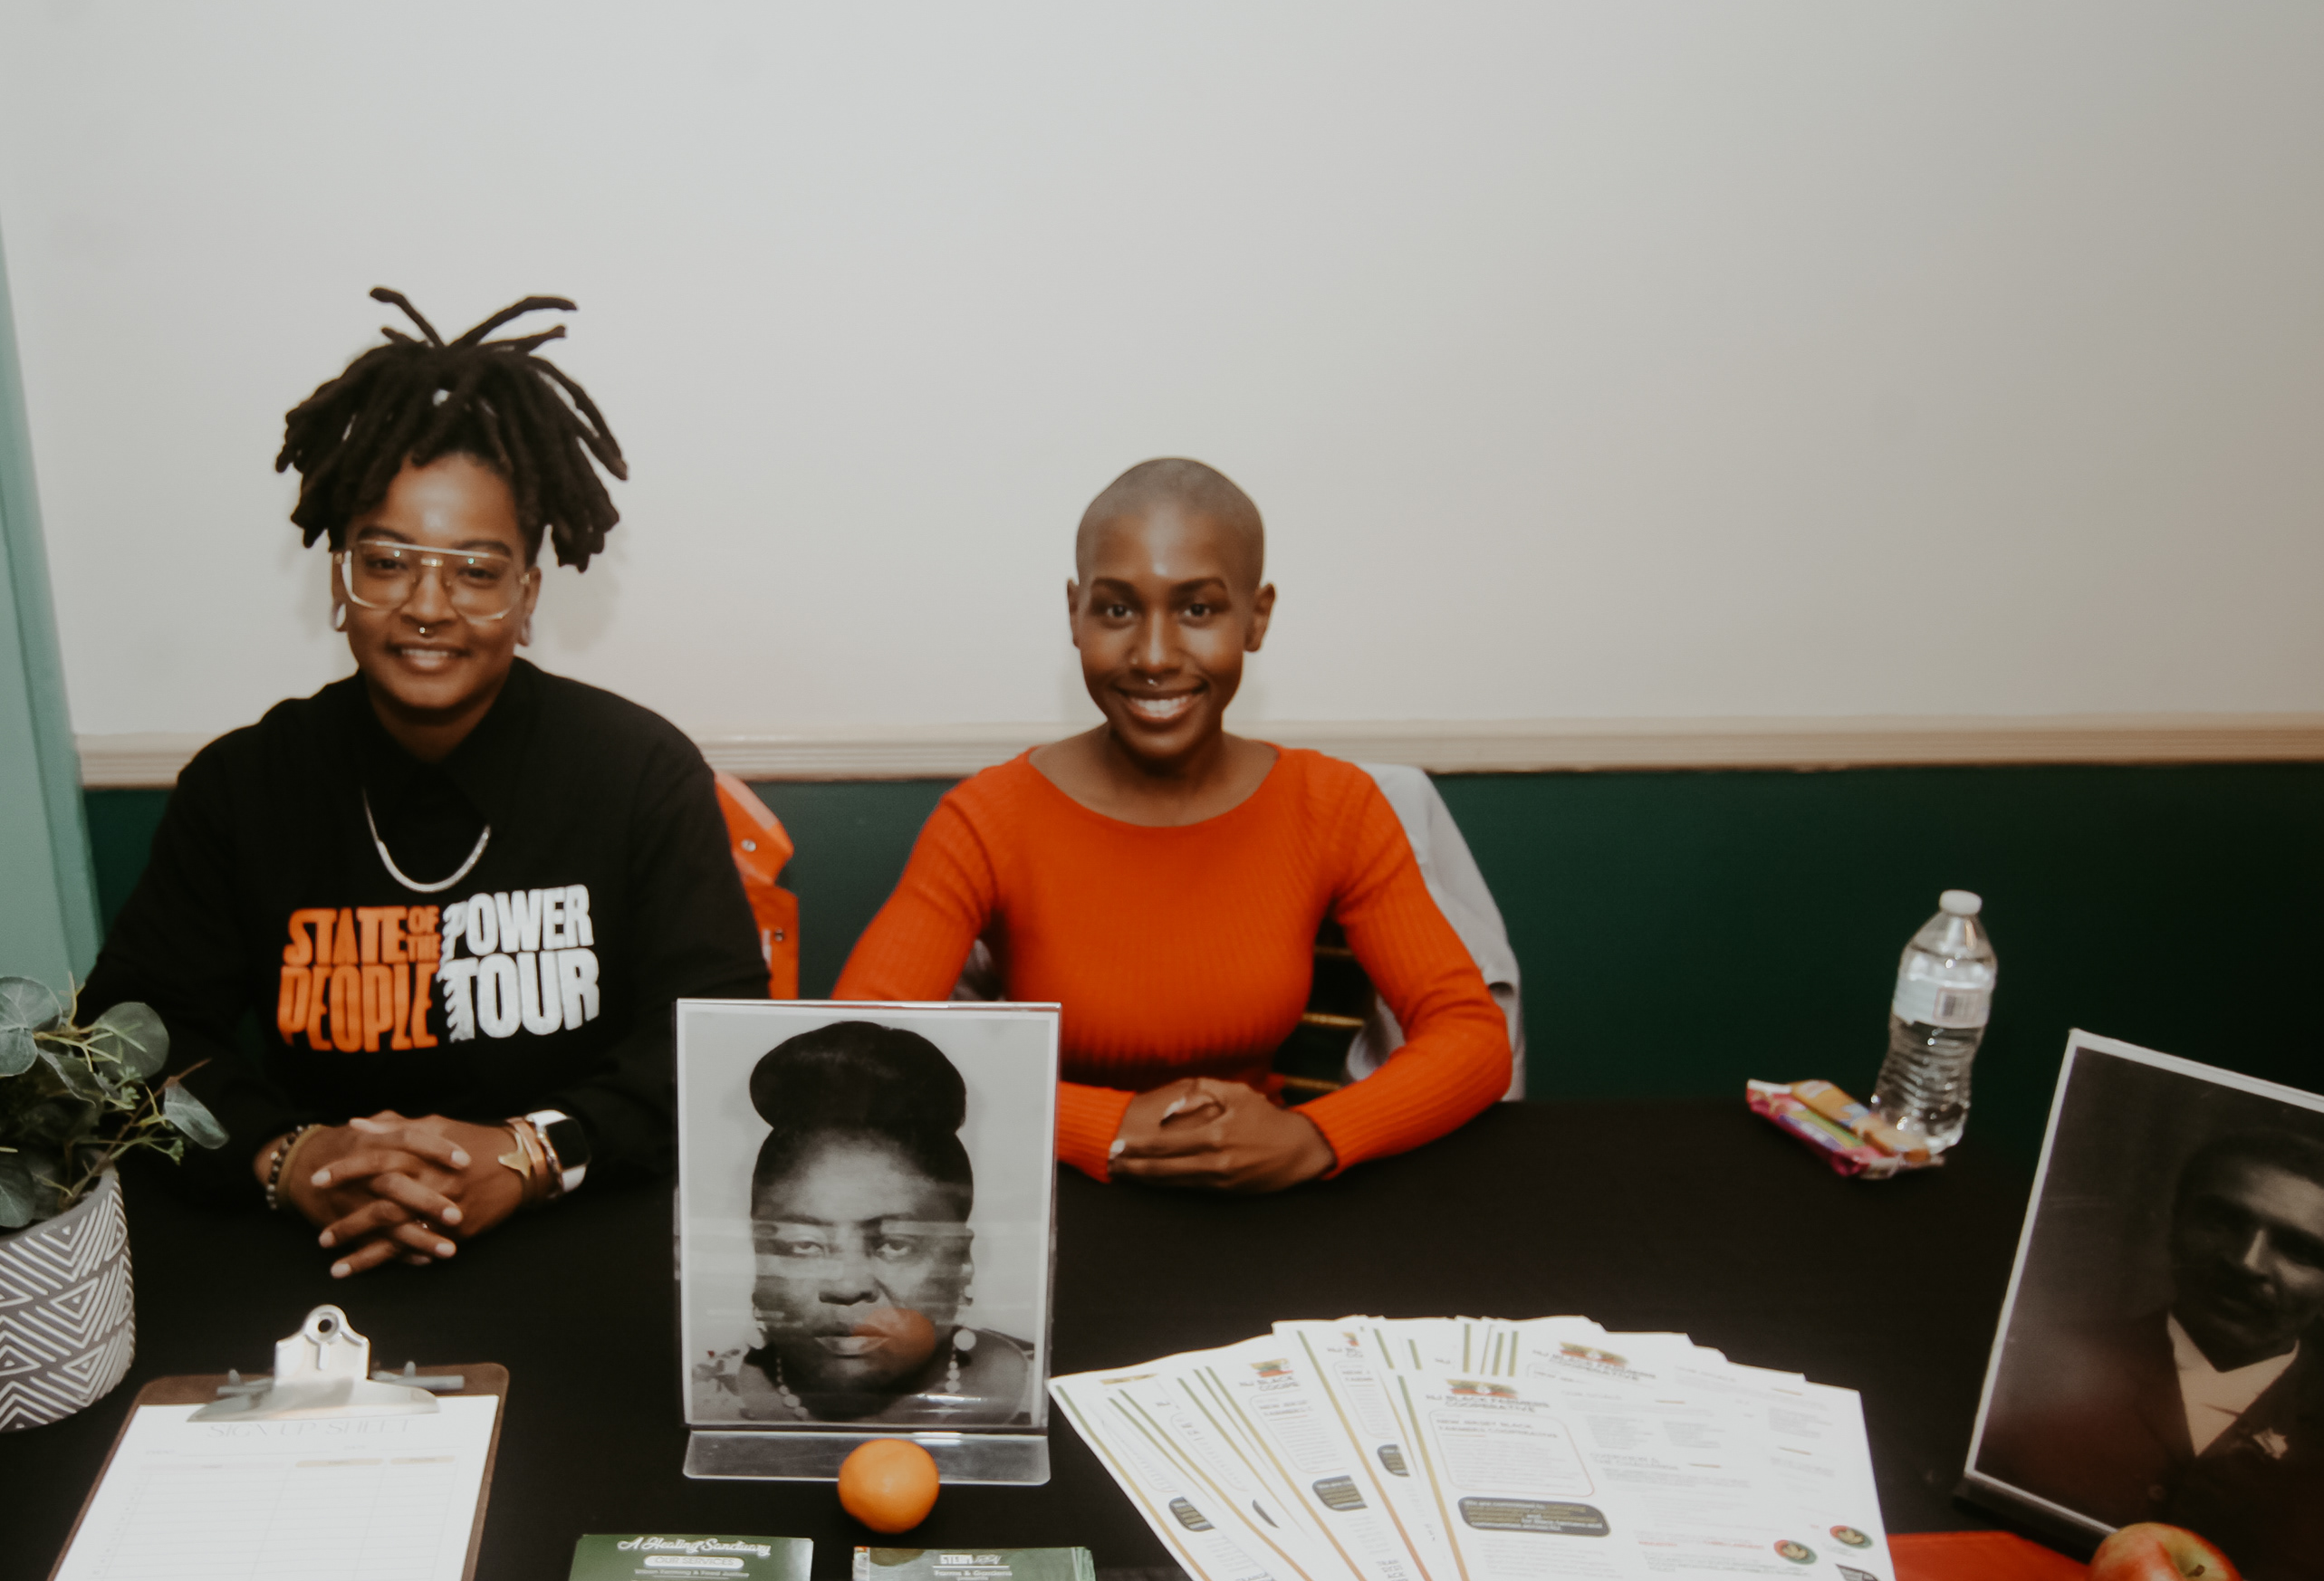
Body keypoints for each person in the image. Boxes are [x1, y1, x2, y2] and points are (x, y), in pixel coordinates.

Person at [82, 292, 769, 1275]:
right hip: (315, 1245)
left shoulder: (639, 773)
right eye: (388, 561)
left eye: (476, 571)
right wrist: (290, 1157)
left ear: (527, 598)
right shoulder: (243, 787)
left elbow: (712, 1035)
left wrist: (531, 1154)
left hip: (582, 1237)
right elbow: (131, 1038)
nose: (428, 604)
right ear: (339, 582)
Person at [832, 459, 1512, 1189]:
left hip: (1268, 1197)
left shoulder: (1334, 804)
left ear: (1257, 617)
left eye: (1198, 610)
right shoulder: (987, 818)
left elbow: (1472, 1037)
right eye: (1116, 611)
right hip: (1056, 1193)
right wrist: (1103, 1126)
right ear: (1074, 614)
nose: (1154, 656)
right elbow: (850, 1055)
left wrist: (1315, 1136)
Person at [1976, 1126, 2324, 1581]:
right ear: (2174, 1226)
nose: (2246, 1262)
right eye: (2223, 1221)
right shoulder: (2025, 1364)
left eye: (2297, 1250)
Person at [699, 1020, 1033, 1424]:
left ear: (963, 1262)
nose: (846, 1286)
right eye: (803, 1245)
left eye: (894, 1245)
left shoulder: (1051, 1393)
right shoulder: (703, 1399)